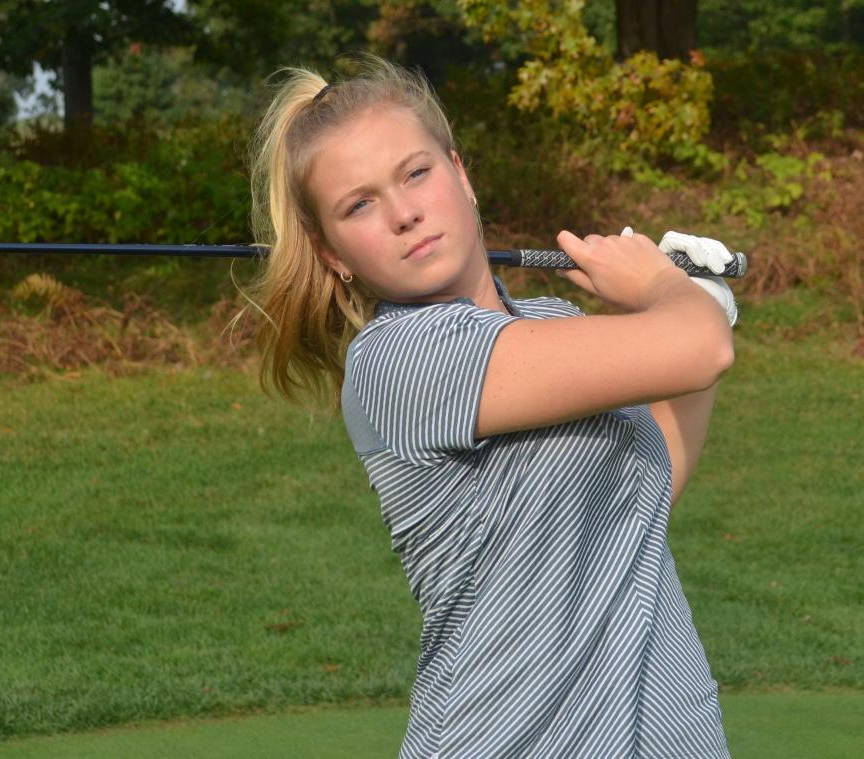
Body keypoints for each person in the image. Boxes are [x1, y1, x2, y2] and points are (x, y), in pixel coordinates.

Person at [246, 55, 737, 758]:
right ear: (333, 256)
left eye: (416, 173)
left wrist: (702, 304)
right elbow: (697, 347)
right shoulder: (400, 360)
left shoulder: (550, 319)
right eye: (360, 204)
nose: (404, 212)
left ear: (461, 174)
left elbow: (643, 490)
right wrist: (666, 290)